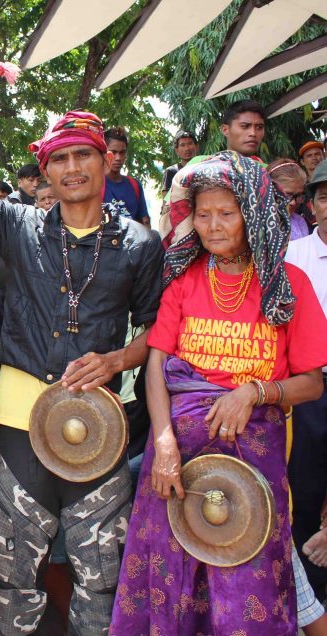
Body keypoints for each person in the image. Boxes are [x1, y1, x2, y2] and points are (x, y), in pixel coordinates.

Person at [0, 57, 164, 635]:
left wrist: (116, 359)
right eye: (58, 158)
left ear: (105, 160)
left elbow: (161, 331)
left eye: (83, 153)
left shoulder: (138, 244)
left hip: (100, 427)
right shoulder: (18, 227)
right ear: (46, 170)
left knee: (100, 581)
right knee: (13, 580)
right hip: (18, 427)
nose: (72, 167)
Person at [110, 151, 327, 635]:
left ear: (253, 215)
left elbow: (311, 383)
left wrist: (254, 391)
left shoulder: (288, 286)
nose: (212, 225)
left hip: (254, 463)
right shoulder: (184, 281)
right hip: (174, 465)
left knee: (246, 581)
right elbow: (157, 366)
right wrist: (162, 441)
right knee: (171, 576)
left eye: (226, 213)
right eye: (203, 214)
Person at [288, 160, 327, 607]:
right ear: (312, 206)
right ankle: (307, 599)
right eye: (323, 196)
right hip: (306, 392)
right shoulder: (293, 258)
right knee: (306, 486)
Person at [103, 126, 151, 226]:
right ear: (103, 153)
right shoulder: (94, 185)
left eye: (122, 153)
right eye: (113, 152)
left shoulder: (134, 185)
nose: (118, 158)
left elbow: (145, 221)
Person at [269, 158, 311, 240]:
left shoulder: (299, 222)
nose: (293, 203)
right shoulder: (260, 222)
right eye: (288, 195)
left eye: (299, 196)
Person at [161, 130, 199, 198]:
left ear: (196, 146)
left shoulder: (204, 169)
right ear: (177, 150)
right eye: (182, 145)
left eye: (190, 143)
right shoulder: (171, 171)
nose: (187, 148)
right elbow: (166, 202)